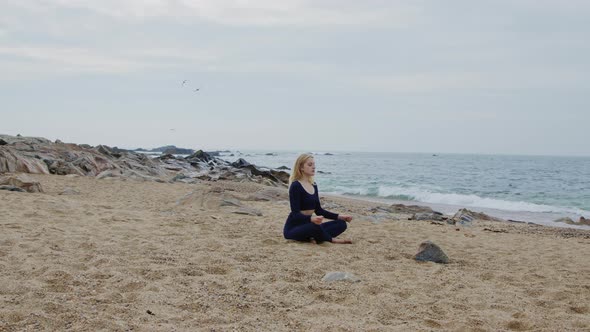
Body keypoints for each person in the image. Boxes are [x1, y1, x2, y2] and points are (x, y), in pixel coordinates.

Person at [283, 153, 353, 244]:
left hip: (310, 226)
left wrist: (339, 216)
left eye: (314, 164)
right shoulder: (296, 185)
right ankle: (332, 240)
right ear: (301, 167)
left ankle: (313, 237)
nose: (313, 167)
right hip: (294, 228)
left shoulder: (314, 185)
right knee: (314, 227)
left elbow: (319, 211)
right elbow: (295, 215)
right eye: (310, 165)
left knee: (341, 223)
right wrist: (311, 219)